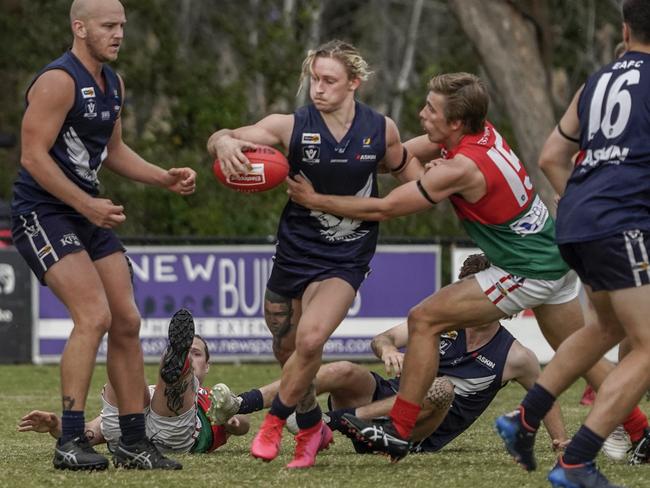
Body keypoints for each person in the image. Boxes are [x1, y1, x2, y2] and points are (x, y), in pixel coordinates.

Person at [286, 71, 648, 466]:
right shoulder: (478, 132)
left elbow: (386, 208)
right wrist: (350, 164)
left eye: (431, 109)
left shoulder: (462, 167)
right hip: (552, 252)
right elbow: (399, 155)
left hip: (529, 267)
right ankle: (642, 434)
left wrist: (318, 199)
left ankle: (400, 430)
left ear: (455, 122)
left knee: (423, 320)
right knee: (583, 356)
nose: (422, 114)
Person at [206, 39, 422, 469]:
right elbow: (224, 136)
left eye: (329, 80)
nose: (318, 88)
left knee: (310, 339)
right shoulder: (291, 126)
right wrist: (224, 143)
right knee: (288, 350)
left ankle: (275, 423)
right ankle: (311, 427)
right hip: (295, 252)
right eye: (314, 80)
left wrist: (432, 182)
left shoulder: (381, 130)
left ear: (354, 83)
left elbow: (409, 175)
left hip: (346, 258)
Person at [10, 0, 196, 471]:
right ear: (80, 28)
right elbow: (32, 157)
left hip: (87, 212)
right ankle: (69, 442)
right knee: (93, 316)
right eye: (109, 26)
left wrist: (162, 178)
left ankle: (133, 442)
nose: (118, 34)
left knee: (127, 321)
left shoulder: (113, 82)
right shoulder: (58, 81)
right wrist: (84, 203)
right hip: (45, 212)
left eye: (122, 26)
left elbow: (113, 150)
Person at [495, 1, 650, 486]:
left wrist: (580, 199)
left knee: (604, 327)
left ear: (625, 30)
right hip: (621, 221)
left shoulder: (598, 80)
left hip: (578, 218)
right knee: (648, 347)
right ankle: (577, 461)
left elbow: (550, 155)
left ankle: (522, 420)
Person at [210, 254, 567, 454]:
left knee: (441, 387)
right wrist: (389, 350)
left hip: (415, 433)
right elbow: (383, 337)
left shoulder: (516, 355)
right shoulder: (439, 322)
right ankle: (240, 404)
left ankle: (332, 424)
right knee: (343, 370)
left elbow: (545, 396)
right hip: (387, 399)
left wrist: (559, 439)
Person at [18, 309, 250, 457]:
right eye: (187, 352)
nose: (192, 355)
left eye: (196, 353)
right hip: (128, 431)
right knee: (134, 386)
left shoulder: (216, 398)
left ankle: (124, 336)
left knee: (162, 394)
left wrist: (232, 419)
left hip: (172, 434)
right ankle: (123, 341)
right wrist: (57, 427)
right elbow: (92, 432)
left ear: (208, 365)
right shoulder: (155, 394)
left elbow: (243, 424)